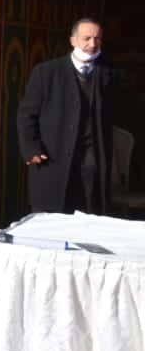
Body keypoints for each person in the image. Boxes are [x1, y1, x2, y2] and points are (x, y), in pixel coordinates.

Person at [17, 17, 115, 215]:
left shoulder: (108, 74)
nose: (92, 44)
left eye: (97, 39)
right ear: (73, 40)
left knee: (89, 215)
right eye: (87, 38)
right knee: (51, 218)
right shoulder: (46, 73)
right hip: (53, 157)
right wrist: (31, 148)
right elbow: (27, 114)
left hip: (90, 162)